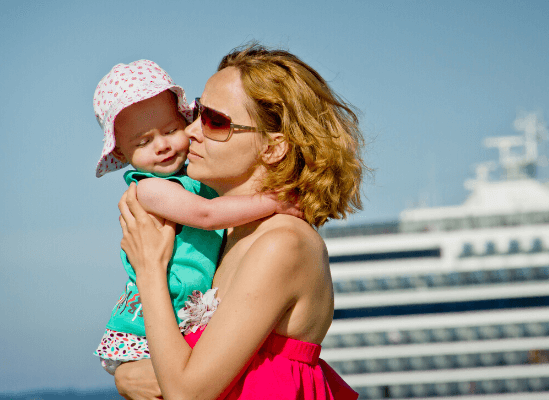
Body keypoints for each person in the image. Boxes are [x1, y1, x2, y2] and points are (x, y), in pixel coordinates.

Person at [115, 44, 365, 399]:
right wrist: (125, 375)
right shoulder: (227, 237)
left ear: (273, 147)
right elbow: (178, 364)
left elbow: (187, 393)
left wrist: (149, 268)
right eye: (197, 113)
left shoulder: (282, 242)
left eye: (215, 121)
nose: (189, 132)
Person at [92, 59, 300, 375]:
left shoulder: (196, 175)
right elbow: (206, 214)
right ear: (121, 154)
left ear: (186, 121)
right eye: (144, 141)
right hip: (148, 327)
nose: (162, 145)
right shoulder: (148, 190)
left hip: (181, 313)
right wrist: (272, 201)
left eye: (171, 130)